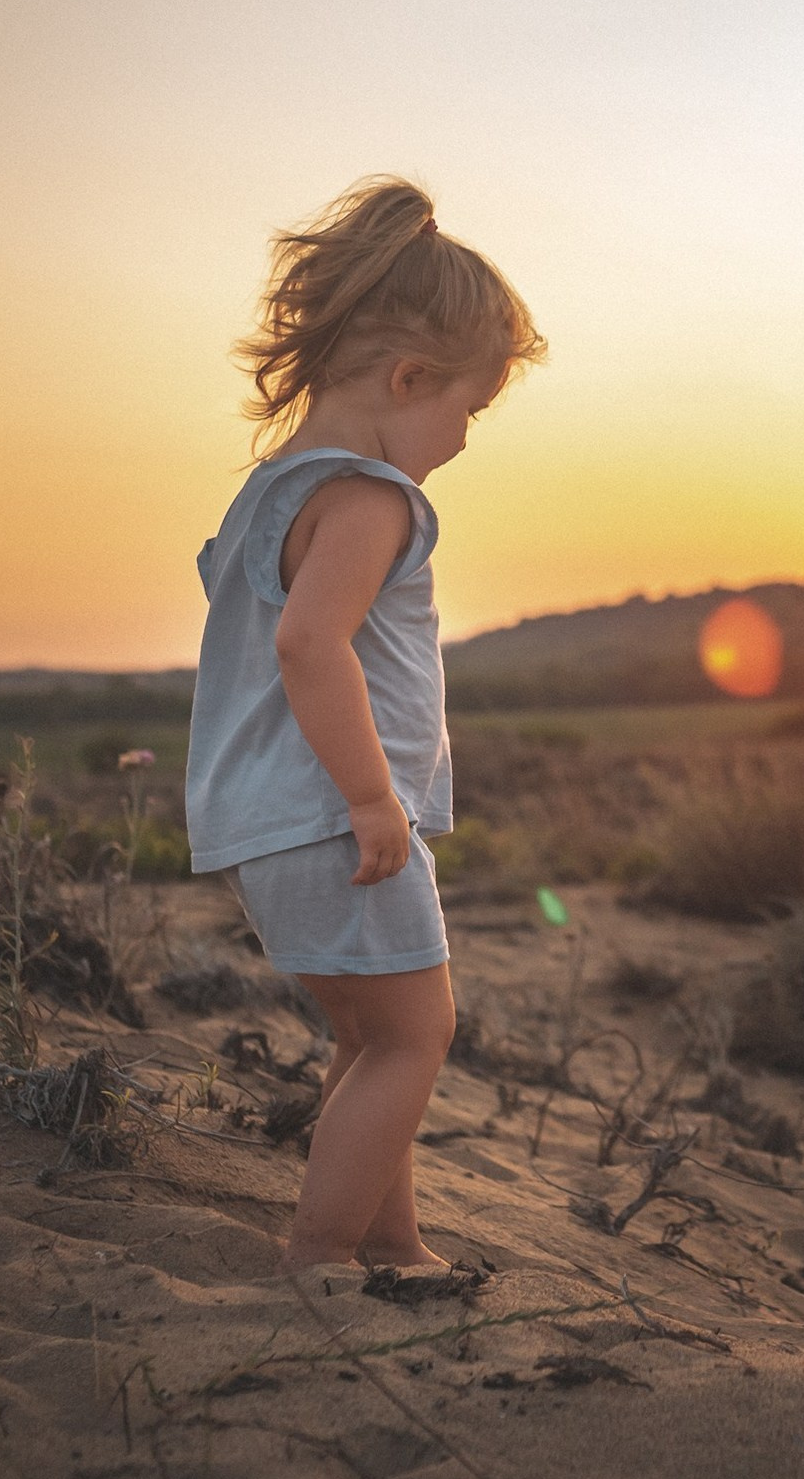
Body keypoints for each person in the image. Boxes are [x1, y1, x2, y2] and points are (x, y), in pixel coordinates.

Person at [184, 177, 545, 1275]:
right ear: (408, 378)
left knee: (369, 1034)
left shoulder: (269, 491)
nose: (466, 440)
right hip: (329, 815)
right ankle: (322, 1253)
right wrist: (371, 795)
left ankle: (394, 1243)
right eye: (467, 411)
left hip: (260, 820)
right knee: (414, 1035)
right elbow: (309, 643)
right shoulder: (371, 496)